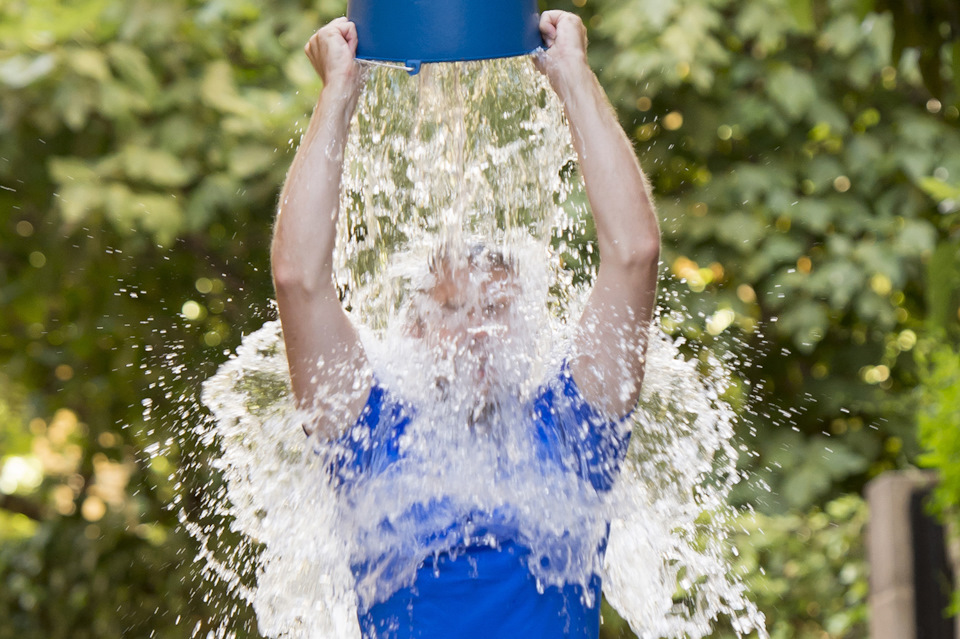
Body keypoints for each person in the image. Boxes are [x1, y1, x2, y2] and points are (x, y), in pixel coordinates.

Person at [270, 10, 660, 639]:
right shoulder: (365, 436)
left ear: (532, 321)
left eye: (497, 308)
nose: (475, 328)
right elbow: (299, 280)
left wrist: (573, 77)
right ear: (412, 332)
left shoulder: (575, 427)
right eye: (450, 310)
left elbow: (634, 253)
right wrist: (337, 95)